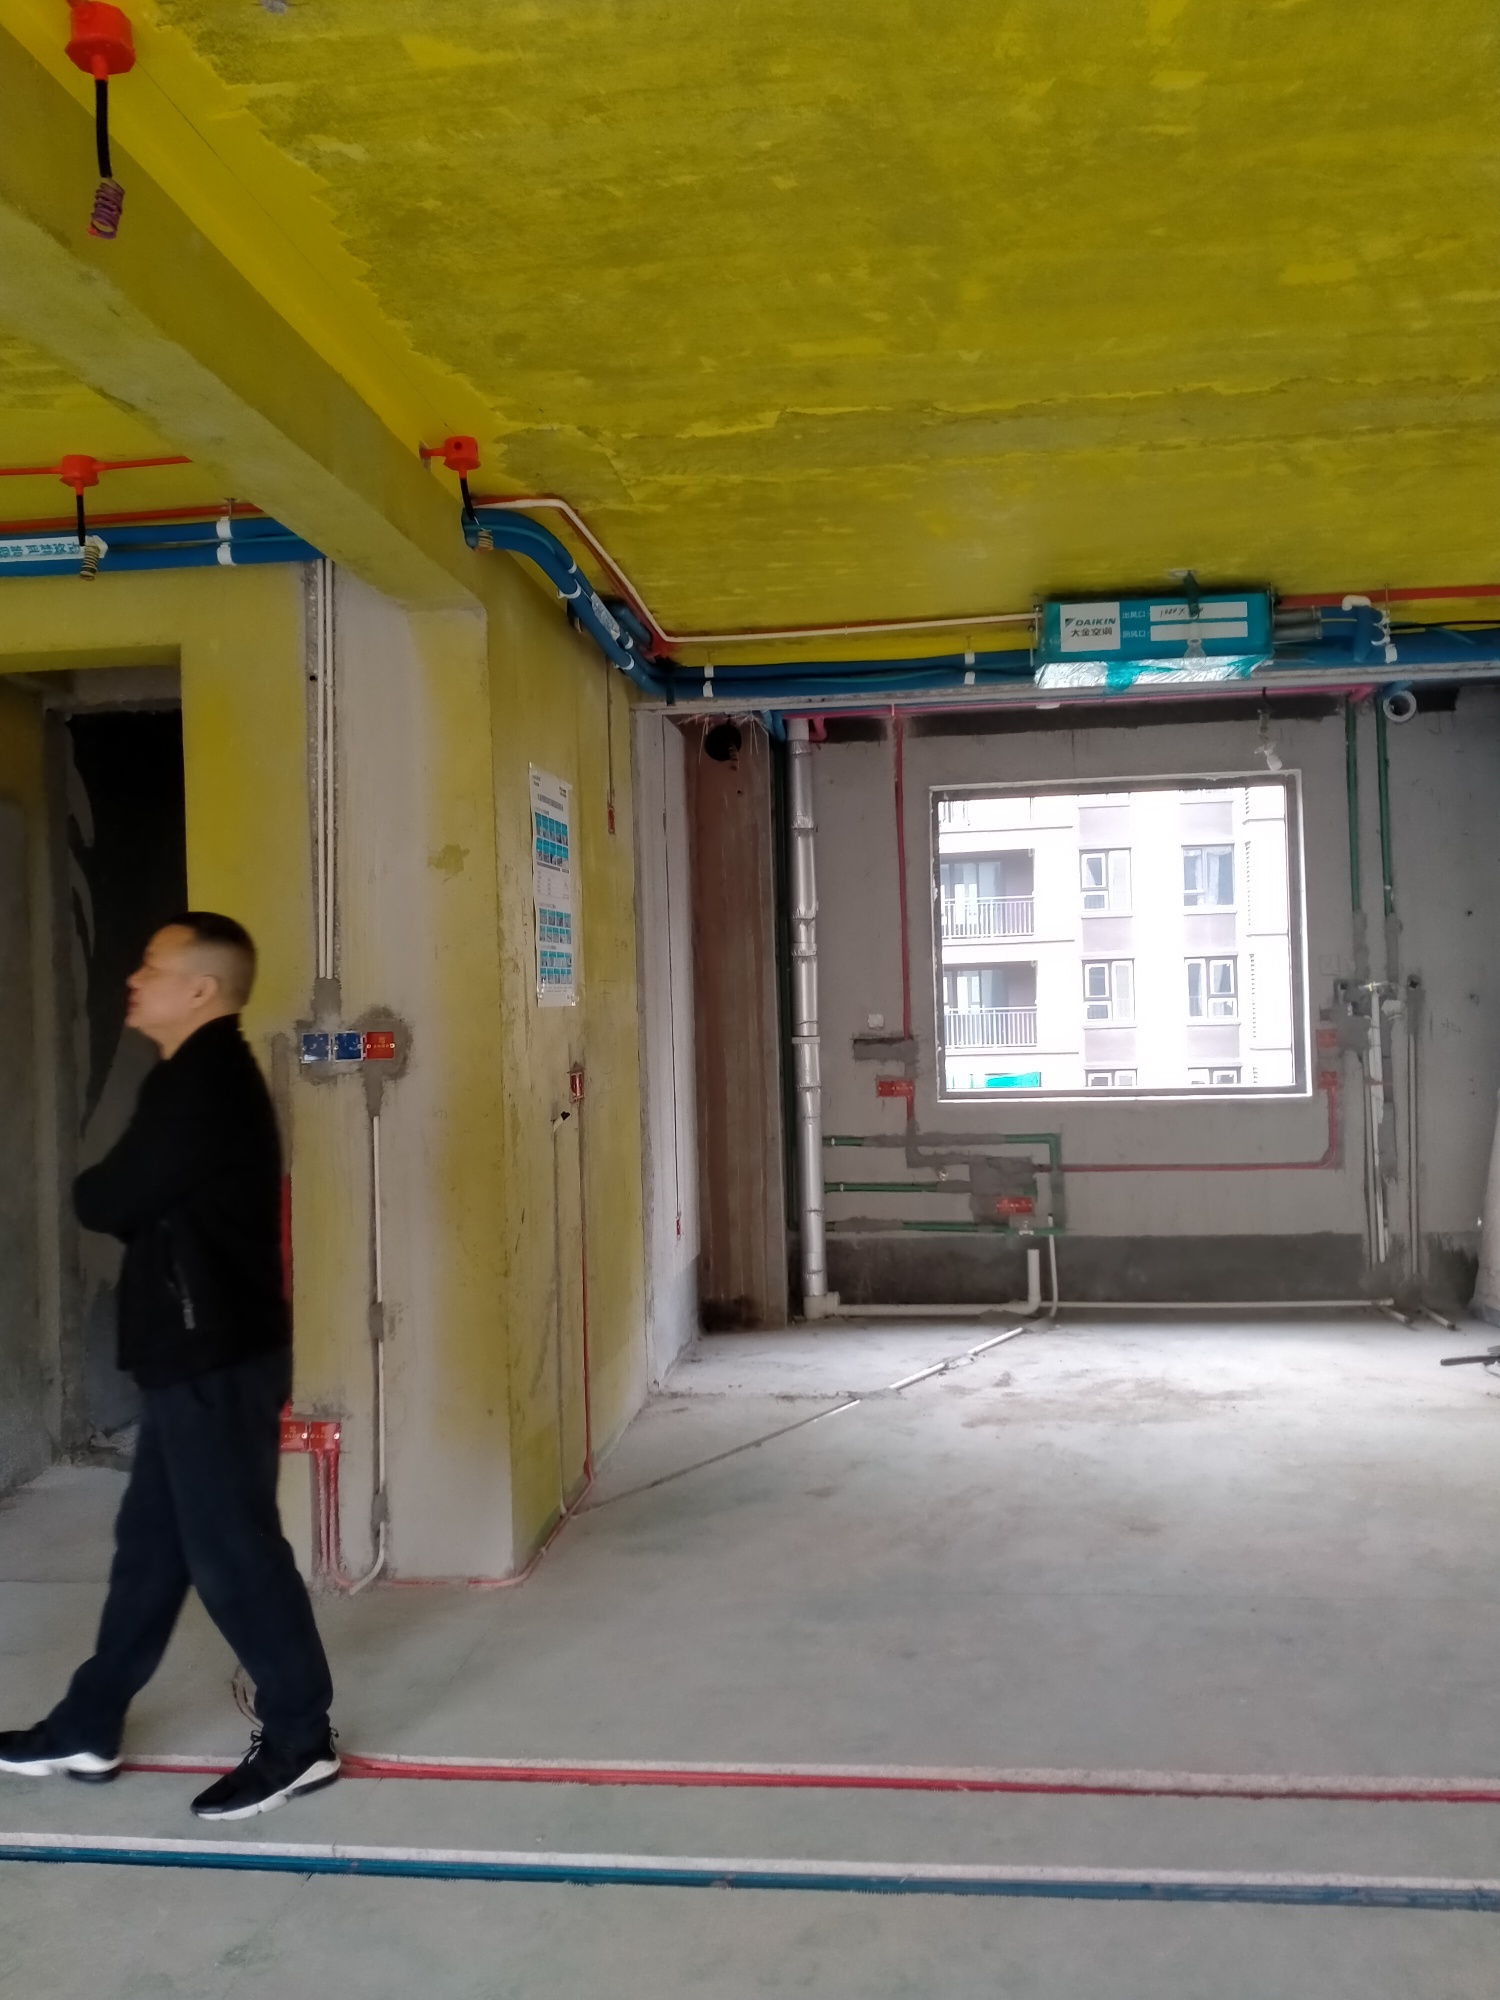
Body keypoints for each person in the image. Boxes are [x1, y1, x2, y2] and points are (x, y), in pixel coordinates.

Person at [0, 913, 338, 1820]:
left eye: (152, 967)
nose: (134, 979)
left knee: (234, 1553)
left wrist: (109, 1190)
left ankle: (301, 1738)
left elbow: (106, 1196)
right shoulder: (189, 1077)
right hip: (191, 1354)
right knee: (151, 1551)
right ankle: (88, 1722)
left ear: (200, 988)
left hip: (214, 1357)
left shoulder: (202, 1086)